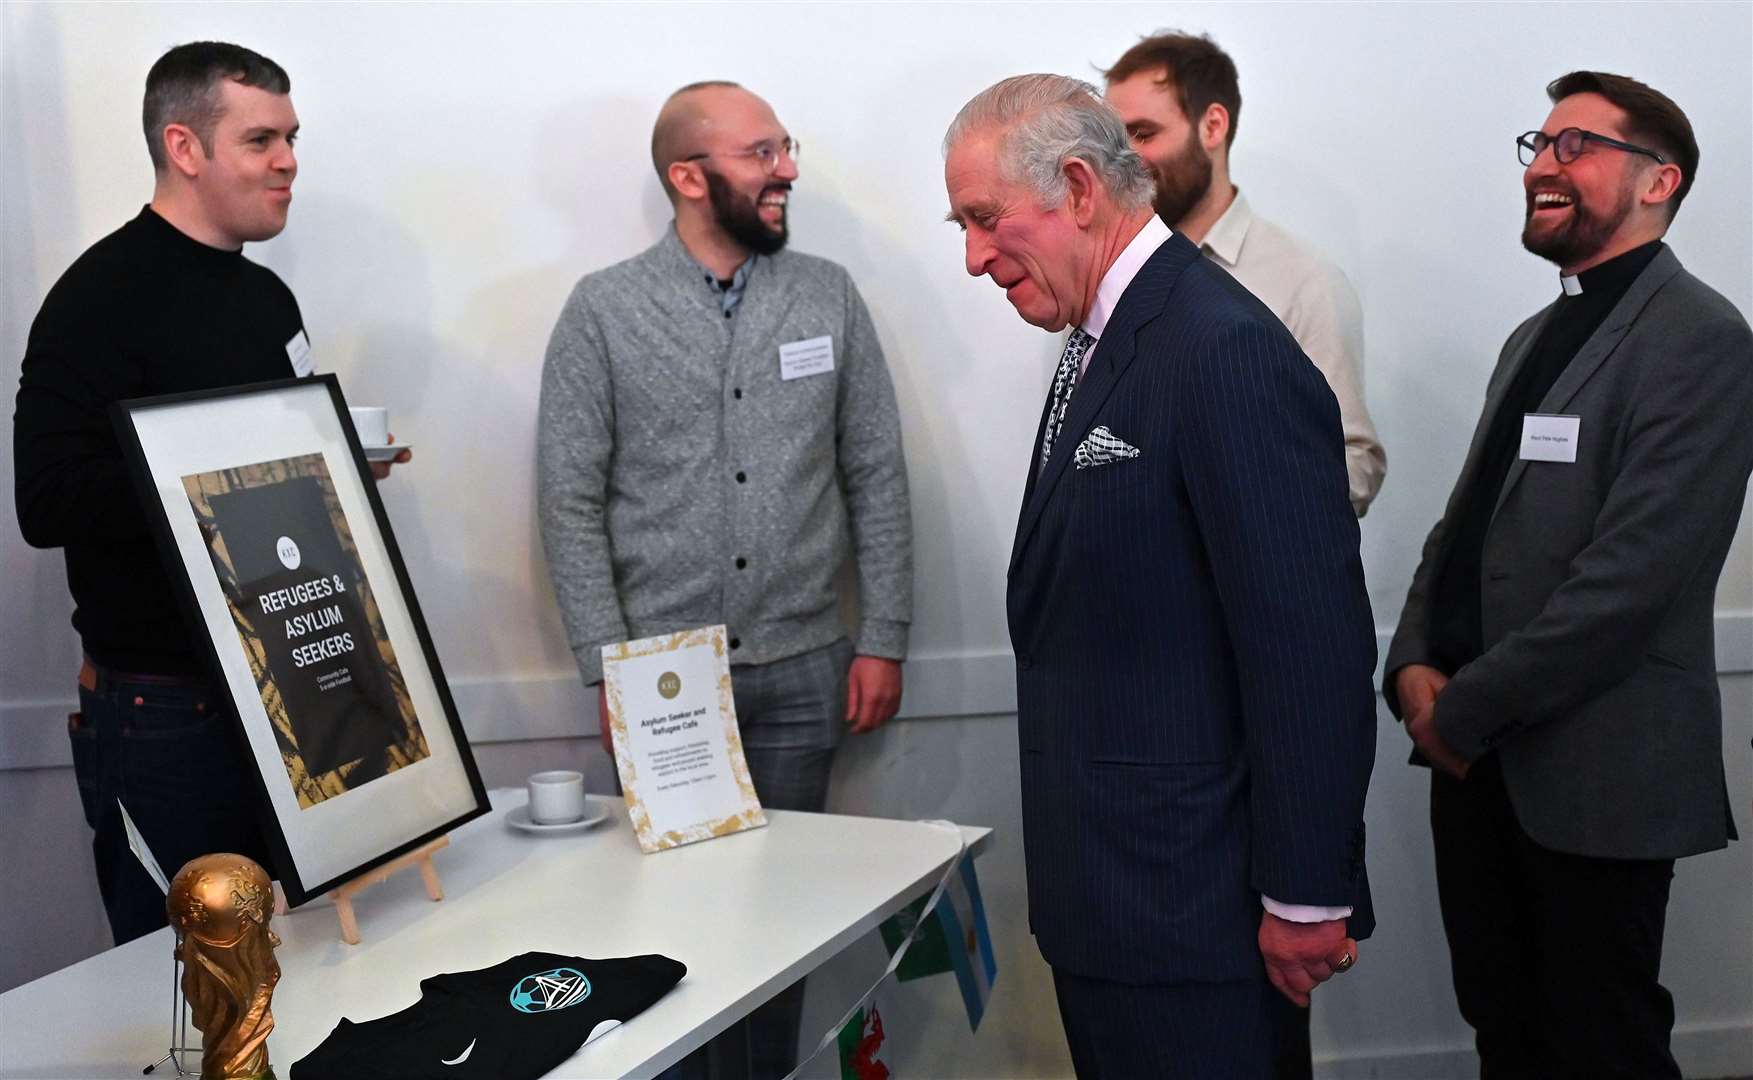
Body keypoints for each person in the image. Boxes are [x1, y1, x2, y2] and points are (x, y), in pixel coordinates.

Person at [942, 74, 1376, 1078]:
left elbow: (1307, 640)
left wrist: (1307, 894)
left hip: (1194, 915)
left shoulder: (1221, 347)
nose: (970, 257)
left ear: (1080, 188)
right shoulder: (1101, 336)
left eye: (984, 219)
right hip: (1119, 903)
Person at [537, 80, 912, 1077]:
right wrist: (610, 666)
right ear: (688, 176)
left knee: (777, 937)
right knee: (674, 935)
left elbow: (874, 469)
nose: (786, 168)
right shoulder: (604, 311)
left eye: (784, 147)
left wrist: (884, 635)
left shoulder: (826, 294)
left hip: (804, 672)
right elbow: (568, 498)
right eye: (760, 153)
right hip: (663, 682)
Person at [1385, 71, 1750, 1079]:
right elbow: (1461, 529)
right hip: (1477, 767)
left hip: (1594, 769)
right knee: (1504, 1028)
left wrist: (1457, 712)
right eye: (1536, 147)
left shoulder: (1703, 340)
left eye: (1574, 146)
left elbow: (1629, 583)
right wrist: (1411, 660)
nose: (1542, 167)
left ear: (1656, 181)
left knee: (1603, 1044)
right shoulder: (1532, 339)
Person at [13, 41, 405, 947]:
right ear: (184, 148)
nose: (289, 162)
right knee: (189, 985)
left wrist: (331, 464)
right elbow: (47, 500)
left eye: (292, 138)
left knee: (296, 973)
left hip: (289, 685)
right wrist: (214, 466)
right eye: (261, 139)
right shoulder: (96, 297)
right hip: (162, 715)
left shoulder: (267, 301)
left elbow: (274, 482)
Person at [1102, 30, 1385, 516]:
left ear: (1212, 127)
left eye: (1144, 134)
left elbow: (1355, 464)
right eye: (1115, 140)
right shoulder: (1107, 277)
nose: (1124, 161)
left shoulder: (1304, 281)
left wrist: (1236, 500)